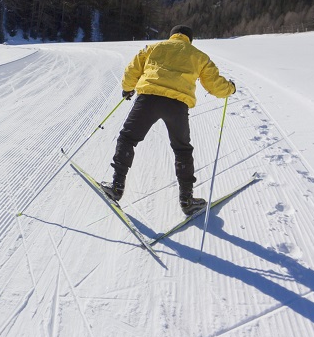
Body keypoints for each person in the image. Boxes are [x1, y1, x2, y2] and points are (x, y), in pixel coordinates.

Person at [100, 25, 236, 215]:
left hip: (148, 99)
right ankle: (187, 200)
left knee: (127, 138)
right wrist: (230, 88)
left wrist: (127, 88)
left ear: (172, 36)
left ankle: (116, 186)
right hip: (177, 105)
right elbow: (215, 85)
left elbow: (133, 69)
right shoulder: (199, 56)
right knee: (182, 149)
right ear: (190, 39)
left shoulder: (154, 47)